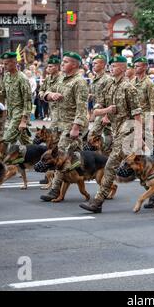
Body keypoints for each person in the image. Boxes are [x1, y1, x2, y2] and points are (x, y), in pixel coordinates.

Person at [80, 56, 142, 213]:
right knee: (136, 166)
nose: (111, 69)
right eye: (111, 66)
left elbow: (137, 115)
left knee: (110, 165)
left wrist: (139, 136)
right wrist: (107, 112)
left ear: (122, 68)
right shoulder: (108, 86)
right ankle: (153, 188)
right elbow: (96, 110)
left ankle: (97, 202)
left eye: (114, 66)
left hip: (128, 130)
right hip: (116, 130)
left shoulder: (129, 88)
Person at [40, 51, 89, 202]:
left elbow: (82, 107)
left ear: (74, 65)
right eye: (62, 62)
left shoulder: (79, 82)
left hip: (72, 124)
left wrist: (76, 127)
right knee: (76, 158)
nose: (62, 64)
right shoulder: (61, 79)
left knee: (61, 155)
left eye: (66, 62)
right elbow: (44, 92)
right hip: (58, 123)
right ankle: (92, 178)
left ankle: (55, 190)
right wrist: (50, 95)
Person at [0, 52, 32, 145]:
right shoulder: (6, 76)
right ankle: (36, 157)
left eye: (6, 64)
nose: (4, 66)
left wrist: (23, 121)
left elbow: (28, 100)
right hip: (11, 113)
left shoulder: (22, 78)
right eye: (3, 63)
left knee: (6, 140)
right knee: (26, 142)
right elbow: (4, 93)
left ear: (14, 62)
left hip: (19, 114)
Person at [87, 54, 113, 154]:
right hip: (98, 111)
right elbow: (97, 94)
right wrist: (91, 95)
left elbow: (110, 98)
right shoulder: (94, 79)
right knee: (108, 134)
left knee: (92, 135)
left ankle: (103, 154)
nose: (93, 65)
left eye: (95, 63)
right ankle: (106, 154)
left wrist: (106, 115)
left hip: (105, 111)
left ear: (103, 65)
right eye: (92, 63)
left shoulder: (107, 79)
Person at [39, 57, 62, 126]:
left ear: (57, 67)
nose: (48, 68)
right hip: (52, 110)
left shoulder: (63, 78)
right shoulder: (48, 78)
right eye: (48, 66)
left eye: (51, 66)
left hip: (61, 111)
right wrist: (45, 96)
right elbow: (41, 90)